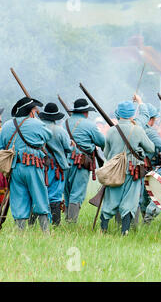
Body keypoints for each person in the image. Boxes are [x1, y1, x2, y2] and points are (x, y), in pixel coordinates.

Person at [100, 101, 155, 236]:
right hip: (132, 171)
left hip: (114, 171)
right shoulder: (137, 129)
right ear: (132, 114)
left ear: (119, 114)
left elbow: (106, 154)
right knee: (129, 202)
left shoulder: (112, 130)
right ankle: (125, 231)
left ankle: (103, 230)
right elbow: (151, 148)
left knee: (110, 201)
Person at [0, 97, 52, 232]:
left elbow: (2, 146)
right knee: (40, 198)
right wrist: (36, 120)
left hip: (14, 168)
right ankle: (45, 232)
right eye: (35, 110)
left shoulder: (6, 125)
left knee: (18, 200)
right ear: (31, 112)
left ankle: (20, 233)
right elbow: (48, 136)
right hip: (33, 167)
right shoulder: (37, 124)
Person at [64, 98, 105, 223]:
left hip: (64, 161)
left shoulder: (65, 123)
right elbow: (101, 142)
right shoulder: (89, 124)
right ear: (85, 112)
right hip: (81, 162)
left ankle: (67, 218)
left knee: (67, 191)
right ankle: (71, 222)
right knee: (77, 192)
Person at [134, 96, 161, 225]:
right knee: (156, 195)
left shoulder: (135, 127)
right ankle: (147, 221)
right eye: (154, 119)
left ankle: (143, 223)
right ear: (151, 119)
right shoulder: (151, 132)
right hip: (149, 167)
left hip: (136, 167)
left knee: (141, 197)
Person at [38, 103, 72, 226]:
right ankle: (54, 225)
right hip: (55, 167)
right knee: (55, 196)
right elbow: (68, 148)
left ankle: (35, 224)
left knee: (39, 194)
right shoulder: (59, 130)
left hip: (39, 166)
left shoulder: (38, 128)